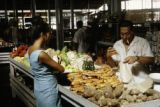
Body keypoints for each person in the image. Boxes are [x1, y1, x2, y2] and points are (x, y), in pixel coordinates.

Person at [28, 17, 64, 107]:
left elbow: (40, 67)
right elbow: (61, 69)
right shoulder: (42, 54)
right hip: (49, 90)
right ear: (42, 34)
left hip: (39, 87)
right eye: (49, 34)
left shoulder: (30, 49)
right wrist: (58, 60)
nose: (50, 36)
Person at [107, 20, 154, 84]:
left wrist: (137, 58)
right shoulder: (117, 44)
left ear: (132, 32)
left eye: (127, 34)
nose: (124, 37)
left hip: (140, 81)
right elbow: (114, 66)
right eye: (122, 34)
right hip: (122, 80)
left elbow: (151, 60)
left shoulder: (142, 42)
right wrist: (109, 57)